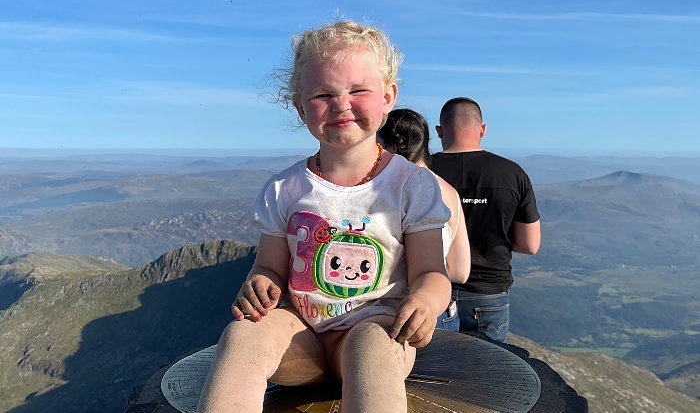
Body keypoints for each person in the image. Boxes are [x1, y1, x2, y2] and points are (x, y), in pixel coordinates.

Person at [197, 21, 452, 413]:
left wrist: (425, 302)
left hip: (378, 328)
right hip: (303, 340)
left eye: (358, 90)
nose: (341, 103)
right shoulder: (285, 190)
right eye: (322, 94)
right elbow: (268, 267)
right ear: (301, 108)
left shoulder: (412, 186)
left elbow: (432, 272)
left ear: (388, 97)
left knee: (374, 347)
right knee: (241, 337)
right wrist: (259, 284)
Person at [431, 97, 541, 343]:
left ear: (439, 131)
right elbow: (529, 245)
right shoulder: (512, 174)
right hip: (488, 294)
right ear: (482, 130)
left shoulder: (422, 171)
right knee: (486, 375)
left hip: (433, 288)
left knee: (433, 374)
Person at [377, 108, 470, 331]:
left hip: (390, 313)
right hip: (440, 313)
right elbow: (460, 271)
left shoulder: (382, 194)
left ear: (392, 147)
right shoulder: (449, 192)